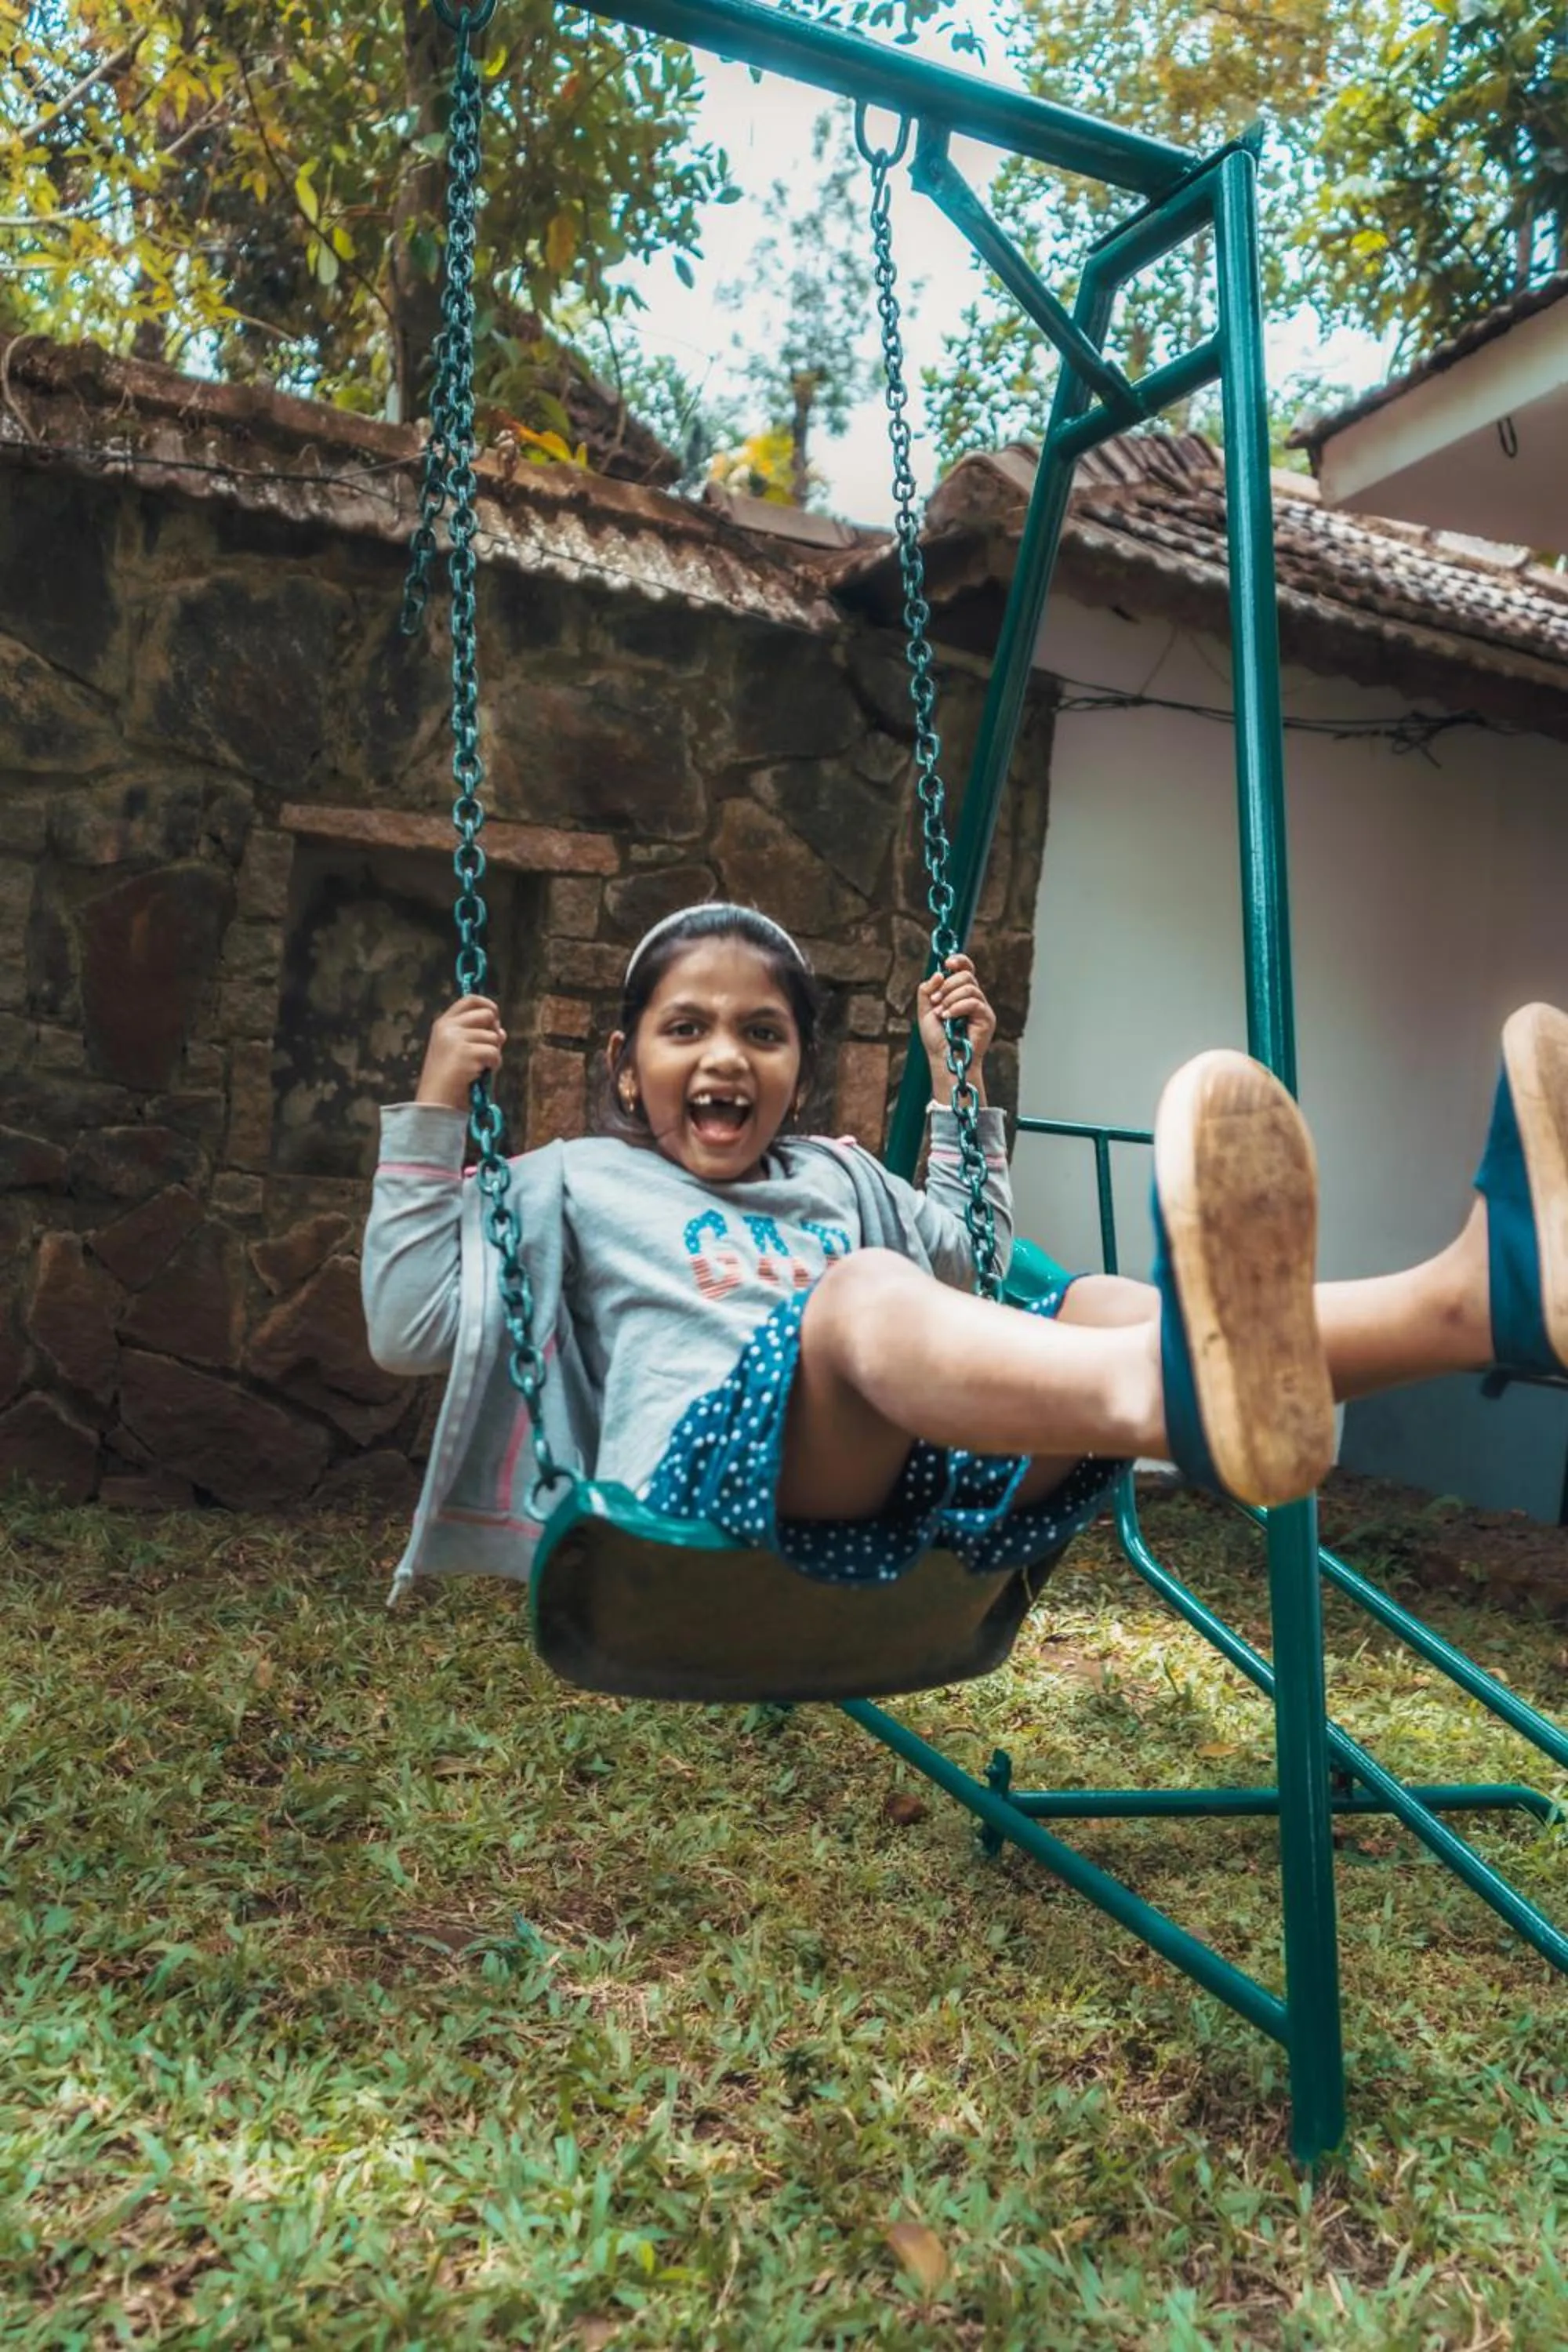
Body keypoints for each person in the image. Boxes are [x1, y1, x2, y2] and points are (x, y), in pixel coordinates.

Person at [362, 900, 1568, 1602]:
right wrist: (431, 1112)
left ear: (798, 1067)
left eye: (762, 1032)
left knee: (1094, 1300)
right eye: (686, 1028)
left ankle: (1480, 1297)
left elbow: (975, 1270)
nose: (725, 1056)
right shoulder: (574, 1180)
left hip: (909, 1493)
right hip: (689, 1504)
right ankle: (1185, 1399)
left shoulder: (835, 1176)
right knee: (864, 1297)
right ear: (626, 1066)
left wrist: (959, 1090)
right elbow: (409, 1326)